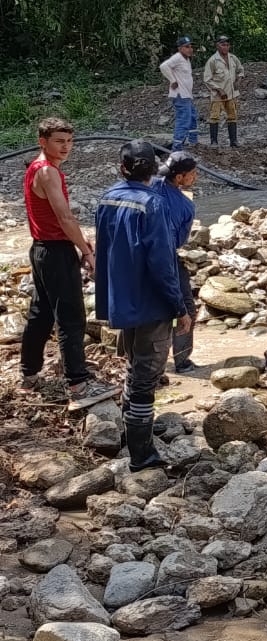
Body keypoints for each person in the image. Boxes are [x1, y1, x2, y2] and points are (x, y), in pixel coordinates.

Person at [96, 141, 190, 472]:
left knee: (134, 366)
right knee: (146, 375)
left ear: (122, 168)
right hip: (151, 301)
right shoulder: (153, 204)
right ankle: (142, 454)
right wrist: (179, 306)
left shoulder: (107, 197)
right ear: (154, 170)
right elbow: (162, 262)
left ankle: (129, 435)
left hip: (122, 299)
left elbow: (104, 250)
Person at [18, 118, 119, 409]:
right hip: (56, 252)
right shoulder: (48, 172)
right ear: (42, 142)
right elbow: (65, 218)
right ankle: (78, 383)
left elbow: (57, 218)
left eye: (69, 141)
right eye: (59, 141)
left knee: (41, 313)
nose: (65, 147)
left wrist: (80, 241)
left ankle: (29, 374)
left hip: (40, 250)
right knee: (72, 317)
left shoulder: (36, 168)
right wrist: (86, 251)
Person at [151, 151, 198, 376]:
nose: (195, 177)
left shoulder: (148, 185)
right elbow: (179, 241)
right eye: (192, 174)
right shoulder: (185, 205)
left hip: (138, 257)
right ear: (179, 178)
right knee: (185, 308)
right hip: (166, 259)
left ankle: (143, 361)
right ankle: (183, 362)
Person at [202, 35, 243, 148]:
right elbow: (207, 79)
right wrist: (219, 89)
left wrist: (238, 80)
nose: (225, 47)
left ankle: (233, 141)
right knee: (214, 116)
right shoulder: (213, 61)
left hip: (231, 93)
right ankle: (214, 142)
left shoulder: (233, 58)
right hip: (218, 95)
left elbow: (240, 70)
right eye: (222, 45)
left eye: (227, 45)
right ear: (217, 46)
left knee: (232, 116)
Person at [159, 36, 198, 150]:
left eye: (191, 46)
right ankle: (177, 147)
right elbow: (163, 66)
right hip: (180, 95)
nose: (190, 49)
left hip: (187, 95)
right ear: (180, 48)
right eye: (187, 47)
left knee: (192, 117)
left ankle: (193, 142)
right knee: (184, 120)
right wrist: (172, 80)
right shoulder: (177, 58)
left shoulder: (186, 59)